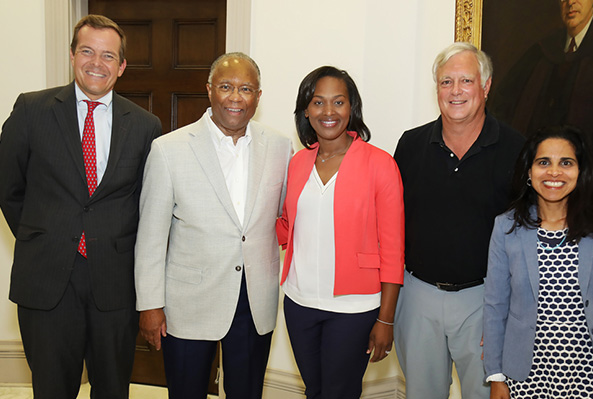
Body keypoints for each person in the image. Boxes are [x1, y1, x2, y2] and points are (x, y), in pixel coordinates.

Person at [0, 14, 162, 398]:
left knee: (112, 389)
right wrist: (45, 235)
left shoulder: (145, 126)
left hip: (115, 285)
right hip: (46, 281)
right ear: (72, 55)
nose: (96, 63)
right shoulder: (32, 110)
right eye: (87, 51)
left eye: (108, 56)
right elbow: (8, 187)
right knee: (52, 389)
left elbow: (148, 205)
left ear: (121, 66)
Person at [134, 52, 292, 398]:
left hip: (254, 301)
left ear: (258, 97)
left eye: (246, 89)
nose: (236, 98)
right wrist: (149, 305)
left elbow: (284, 218)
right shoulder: (168, 150)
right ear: (209, 90)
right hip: (188, 301)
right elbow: (150, 238)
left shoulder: (281, 147)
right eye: (226, 86)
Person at [393, 42, 525, 399]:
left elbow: (527, 236)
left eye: (465, 80)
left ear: (485, 86)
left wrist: (510, 311)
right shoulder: (410, 145)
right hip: (417, 295)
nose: (455, 91)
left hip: (485, 299)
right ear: (436, 88)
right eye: (445, 81)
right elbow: (390, 224)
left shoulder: (517, 149)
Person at [489, 0, 593, 254]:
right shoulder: (540, 54)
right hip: (532, 210)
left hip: (591, 204)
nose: (571, 2)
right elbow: (503, 120)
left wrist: (586, 172)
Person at [276, 66, 404, 398]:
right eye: (318, 102)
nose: (328, 112)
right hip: (299, 302)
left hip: (354, 308)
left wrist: (386, 319)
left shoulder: (380, 164)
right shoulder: (298, 163)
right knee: (314, 391)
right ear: (306, 109)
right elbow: (287, 227)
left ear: (352, 108)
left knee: (340, 393)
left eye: (338, 102)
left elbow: (393, 249)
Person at [483, 125, 593, 399]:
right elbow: (495, 306)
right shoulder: (506, 227)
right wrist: (496, 375)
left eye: (566, 163)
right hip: (525, 376)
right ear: (529, 171)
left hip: (591, 376)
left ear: (581, 171)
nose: (554, 172)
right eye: (544, 162)